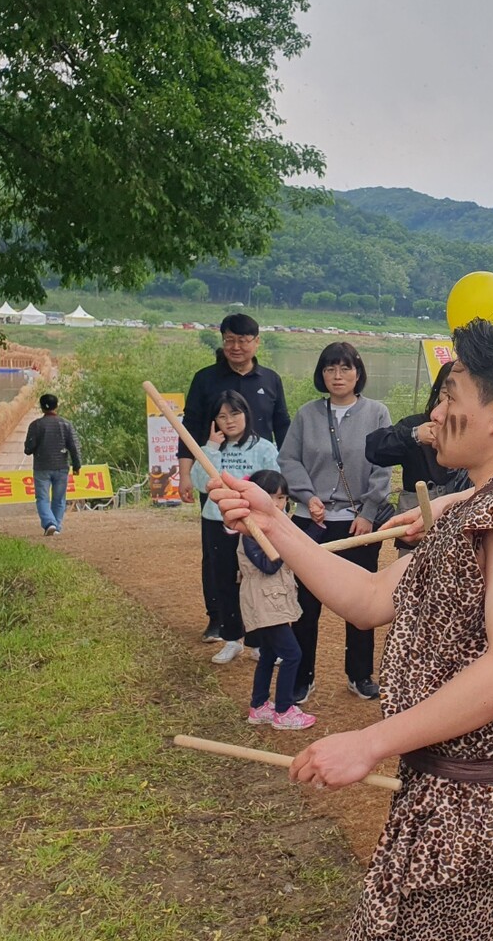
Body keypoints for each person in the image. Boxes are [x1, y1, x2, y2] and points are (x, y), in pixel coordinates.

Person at [209, 317, 493, 941]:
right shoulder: (486, 507)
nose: (435, 413)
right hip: (445, 801)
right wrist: (274, 521)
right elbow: (371, 597)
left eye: (451, 396)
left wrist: (371, 742)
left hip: (481, 819)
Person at [278, 341, 391, 703]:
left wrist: (369, 514)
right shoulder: (307, 414)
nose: (337, 376)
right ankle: (301, 676)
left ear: (358, 372)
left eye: (345, 368)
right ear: (321, 374)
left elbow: (383, 466)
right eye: (330, 369)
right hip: (311, 524)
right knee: (305, 602)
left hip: (358, 524)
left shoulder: (377, 413)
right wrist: (306, 494)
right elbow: (288, 459)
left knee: (360, 601)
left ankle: (360, 674)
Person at [179, 313, 290, 643]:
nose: (236, 346)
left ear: (257, 342)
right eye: (229, 340)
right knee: (216, 553)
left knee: (258, 547)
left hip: (260, 484)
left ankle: (257, 618)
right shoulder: (205, 379)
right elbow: (190, 429)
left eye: (243, 340)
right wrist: (186, 475)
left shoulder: (270, 379)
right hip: (216, 479)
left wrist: (285, 478)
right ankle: (218, 619)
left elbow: (282, 426)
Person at [190, 391, 280, 664]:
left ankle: (258, 642)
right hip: (217, 522)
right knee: (224, 580)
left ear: (246, 414)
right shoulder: (211, 448)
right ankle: (232, 639)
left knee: (255, 582)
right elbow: (198, 482)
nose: (229, 421)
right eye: (222, 416)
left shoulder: (264, 447)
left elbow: (274, 485)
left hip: (252, 525)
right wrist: (211, 448)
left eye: (235, 414)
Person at [238, 469, 316, 731]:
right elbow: (268, 565)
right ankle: (283, 710)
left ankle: (259, 706)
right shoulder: (251, 528)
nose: (277, 503)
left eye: (281, 497)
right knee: (292, 654)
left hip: (277, 601)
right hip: (264, 602)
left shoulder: (277, 525)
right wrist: (283, 546)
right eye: (270, 497)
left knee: (270, 654)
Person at [364, 359, 472, 546]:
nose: (439, 412)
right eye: (445, 394)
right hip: (414, 538)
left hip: (459, 540)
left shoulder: (474, 433)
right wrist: (414, 435)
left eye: (454, 398)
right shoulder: (417, 424)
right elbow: (374, 449)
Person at [24, 393, 81, 536]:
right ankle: (56, 525)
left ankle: (50, 524)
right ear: (57, 406)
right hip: (61, 466)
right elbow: (74, 446)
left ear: (41, 407)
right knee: (59, 498)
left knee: (42, 498)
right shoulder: (65, 424)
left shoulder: (36, 425)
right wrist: (77, 465)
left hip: (42, 467)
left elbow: (28, 449)